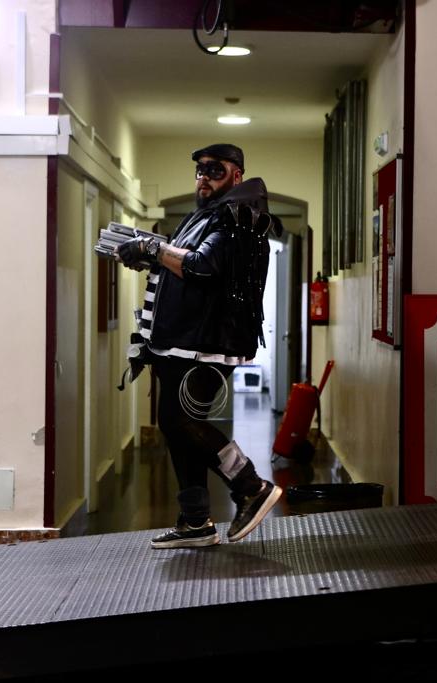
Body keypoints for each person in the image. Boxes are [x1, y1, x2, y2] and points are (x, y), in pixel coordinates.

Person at [116, 143, 282, 549]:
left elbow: (203, 267)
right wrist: (152, 257)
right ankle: (195, 522)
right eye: (199, 170)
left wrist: (153, 249)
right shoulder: (207, 215)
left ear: (237, 175)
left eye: (214, 169)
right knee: (177, 428)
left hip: (203, 343)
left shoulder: (235, 215)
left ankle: (251, 486)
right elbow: (187, 263)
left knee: (182, 422)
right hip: (182, 341)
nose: (204, 177)